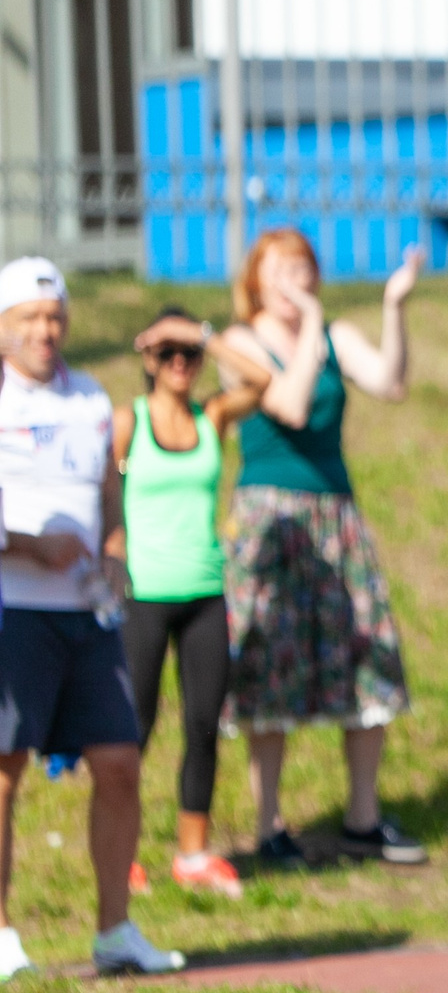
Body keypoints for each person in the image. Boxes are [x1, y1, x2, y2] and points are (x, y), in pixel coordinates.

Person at [0, 258, 182, 981]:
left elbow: (110, 492)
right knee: (4, 772)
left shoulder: (92, 397)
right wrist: (25, 545)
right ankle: (3, 935)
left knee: (119, 762)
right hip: (15, 612)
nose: (47, 331)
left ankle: (115, 930)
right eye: (30, 319)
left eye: (55, 317)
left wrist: (115, 553)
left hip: (89, 616)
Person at [221, 230, 426, 868]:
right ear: (256, 280)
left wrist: (394, 307)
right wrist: (309, 329)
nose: (294, 280)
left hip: (336, 514)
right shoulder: (238, 343)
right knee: (269, 662)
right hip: (271, 518)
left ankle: (362, 817)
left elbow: (390, 383)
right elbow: (288, 403)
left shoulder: (336, 335)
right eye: (280, 270)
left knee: (367, 650)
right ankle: (269, 824)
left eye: (303, 268)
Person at [116, 307, 273, 898]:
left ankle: (192, 852)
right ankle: (122, 851)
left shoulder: (213, 418)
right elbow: (111, 481)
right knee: (135, 725)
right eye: (167, 353)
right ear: (148, 359)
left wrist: (206, 335)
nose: (179, 363)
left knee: (204, 724)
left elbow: (263, 382)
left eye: (189, 354)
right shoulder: (128, 426)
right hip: (143, 594)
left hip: (206, 593)